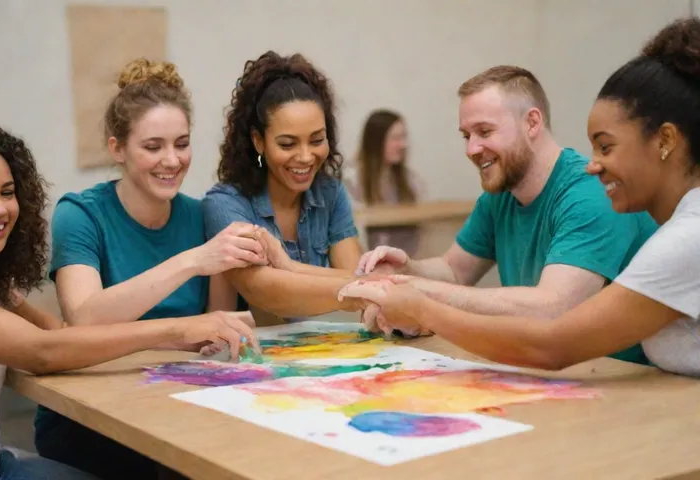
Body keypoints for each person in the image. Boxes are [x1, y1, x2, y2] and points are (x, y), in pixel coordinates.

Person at [340, 17, 700, 377]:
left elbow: (553, 330)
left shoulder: (665, 227)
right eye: (465, 135)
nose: (594, 165)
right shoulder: (500, 194)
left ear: (532, 123)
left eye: (606, 147)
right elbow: (455, 270)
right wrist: (408, 272)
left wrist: (420, 301)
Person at [0, 121, 257, 480]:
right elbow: (42, 351)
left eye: (7, 193)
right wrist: (177, 328)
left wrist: (185, 336)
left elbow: (61, 331)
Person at [33, 59, 268, 479]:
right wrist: (193, 260)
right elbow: (84, 317)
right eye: (153, 146)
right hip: (92, 419)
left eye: (182, 143)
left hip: (182, 404)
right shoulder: (80, 214)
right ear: (117, 148)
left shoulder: (202, 216)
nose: (172, 160)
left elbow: (217, 333)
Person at [202, 51, 364, 321]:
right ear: (258, 141)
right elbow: (267, 291)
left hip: (323, 350)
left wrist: (287, 266)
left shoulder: (330, 193)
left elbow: (358, 278)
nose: (305, 156)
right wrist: (362, 286)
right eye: (287, 144)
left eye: (316, 140)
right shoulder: (224, 205)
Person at [345, 109, 424, 256]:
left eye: (404, 137)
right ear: (376, 141)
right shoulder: (351, 179)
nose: (403, 144)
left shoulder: (410, 180)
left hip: (405, 266)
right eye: (396, 138)